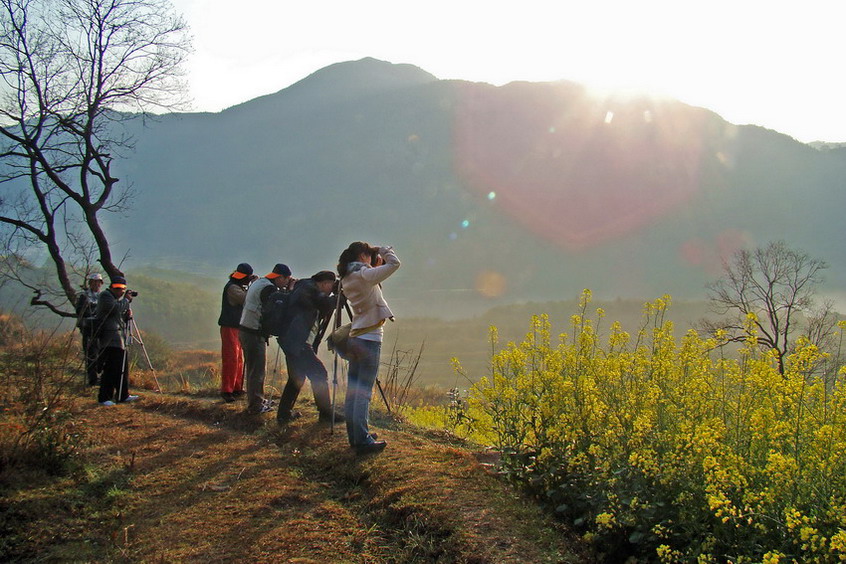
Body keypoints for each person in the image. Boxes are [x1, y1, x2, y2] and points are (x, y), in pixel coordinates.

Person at [337, 242, 400, 454]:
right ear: (363, 255)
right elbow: (395, 264)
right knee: (363, 392)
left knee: (353, 392)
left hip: (355, 336)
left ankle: (355, 435)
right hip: (370, 338)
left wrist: (374, 263)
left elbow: (373, 281)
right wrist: (384, 250)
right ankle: (363, 440)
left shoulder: (348, 275)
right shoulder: (363, 274)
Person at [277, 270, 344, 424]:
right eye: (331, 286)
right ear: (325, 283)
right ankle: (326, 414)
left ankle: (283, 415)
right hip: (298, 342)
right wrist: (338, 298)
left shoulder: (303, 286)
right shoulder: (309, 289)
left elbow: (322, 305)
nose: (330, 290)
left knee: (297, 377)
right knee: (319, 373)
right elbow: (325, 304)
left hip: (291, 340)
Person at [239, 263, 294, 414]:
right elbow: (275, 308)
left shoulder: (260, 282)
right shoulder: (268, 289)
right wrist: (289, 292)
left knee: (254, 368)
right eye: (286, 279)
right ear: (280, 277)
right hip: (253, 332)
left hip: (246, 329)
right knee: (257, 370)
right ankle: (255, 406)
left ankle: (257, 400)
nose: (287, 282)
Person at [94, 275, 139, 406]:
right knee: (110, 368)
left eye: (122, 288)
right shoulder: (105, 296)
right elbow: (114, 309)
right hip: (109, 339)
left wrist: (126, 315)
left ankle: (123, 395)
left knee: (122, 368)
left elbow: (118, 317)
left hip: (118, 339)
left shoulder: (115, 300)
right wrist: (126, 301)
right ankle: (104, 397)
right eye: (117, 288)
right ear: (111, 287)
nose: (120, 291)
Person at [218, 263, 257, 402]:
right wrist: (254, 286)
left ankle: (236, 387)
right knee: (231, 358)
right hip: (229, 326)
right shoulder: (233, 288)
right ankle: (227, 390)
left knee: (238, 358)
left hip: (237, 327)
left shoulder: (237, 285)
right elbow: (247, 299)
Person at [75, 272, 104, 386]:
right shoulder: (84, 296)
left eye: (98, 282)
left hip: (101, 328)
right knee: (91, 354)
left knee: (101, 353)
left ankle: (101, 376)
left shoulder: (103, 296)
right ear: (90, 283)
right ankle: (92, 379)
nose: (96, 284)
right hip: (88, 328)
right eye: (94, 282)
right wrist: (92, 312)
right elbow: (80, 311)